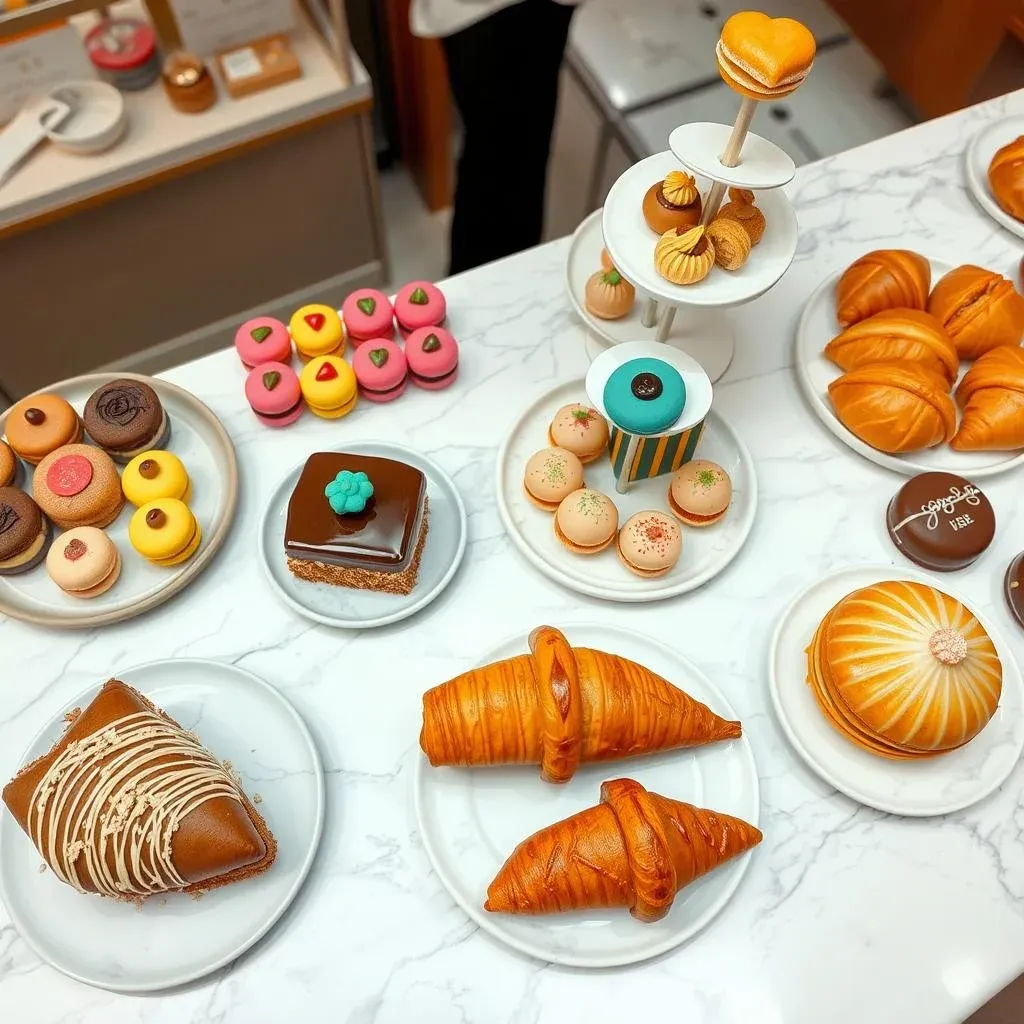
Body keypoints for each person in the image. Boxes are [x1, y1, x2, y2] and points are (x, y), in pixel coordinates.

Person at [411, 0, 581, 275]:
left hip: (494, 14)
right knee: (506, 167)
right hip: (498, 14)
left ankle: (488, 287)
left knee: (502, 161)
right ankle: (490, 287)